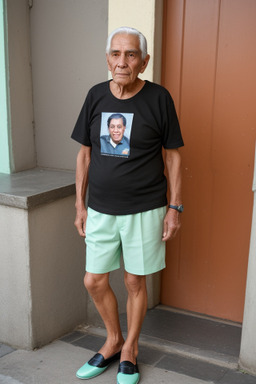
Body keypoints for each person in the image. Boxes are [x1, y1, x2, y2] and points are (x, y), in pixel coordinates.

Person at [71, 26, 184, 384]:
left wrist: (174, 207)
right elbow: (84, 155)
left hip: (144, 208)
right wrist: (79, 205)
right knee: (93, 280)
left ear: (144, 61)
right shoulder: (95, 96)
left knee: (135, 280)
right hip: (101, 208)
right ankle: (113, 339)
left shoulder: (159, 98)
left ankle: (130, 348)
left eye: (131, 54)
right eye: (116, 54)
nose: (123, 62)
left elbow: (173, 158)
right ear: (108, 58)